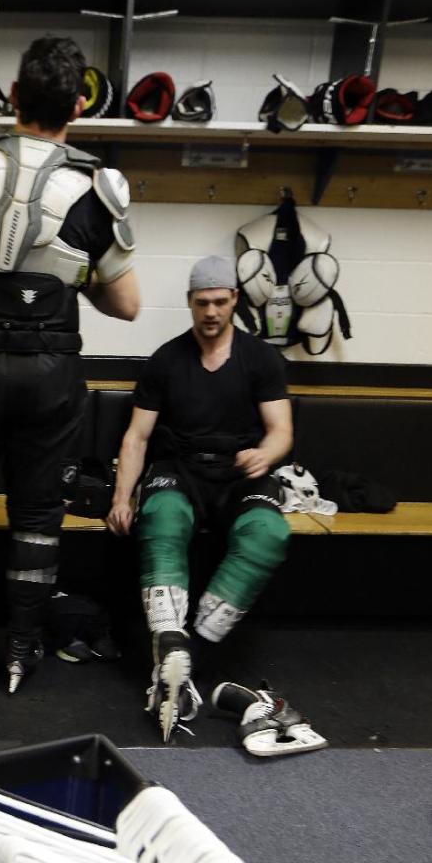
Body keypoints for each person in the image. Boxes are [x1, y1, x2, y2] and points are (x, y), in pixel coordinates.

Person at [0, 35, 140, 693]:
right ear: (79, 104)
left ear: (12, 95)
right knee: (39, 514)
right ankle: (20, 651)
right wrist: (70, 271)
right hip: (50, 374)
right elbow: (127, 305)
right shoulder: (100, 188)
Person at [107, 255, 293, 742]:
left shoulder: (261, 359)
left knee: (269, 533)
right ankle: (167, 644)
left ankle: (192, 650)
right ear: (190, 303)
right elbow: (136, 438)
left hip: (239, 470)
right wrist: (121, 497)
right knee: (160, 518)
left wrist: (265, 453)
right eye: (201, 302)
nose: (211, 311)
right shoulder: (166, 361)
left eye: (219, 301)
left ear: (234, 299)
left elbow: (281, 431)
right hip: (182, 468)